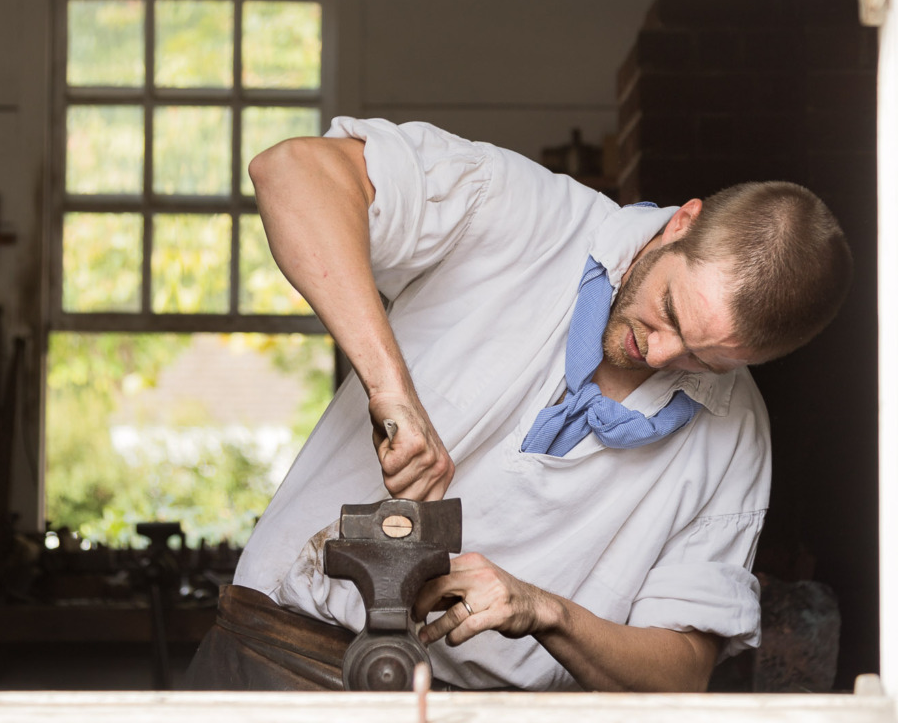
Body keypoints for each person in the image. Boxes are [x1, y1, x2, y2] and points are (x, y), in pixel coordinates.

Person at [201, 117, 852, 693]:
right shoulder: (518, 210)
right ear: (682, 223)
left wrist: (545, 611)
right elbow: (290, 170)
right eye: (671, 312)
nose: (660, 355)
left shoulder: (737, 436)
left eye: (705, 359)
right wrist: (390, 388)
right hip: (279, 655)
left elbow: (681, 673)